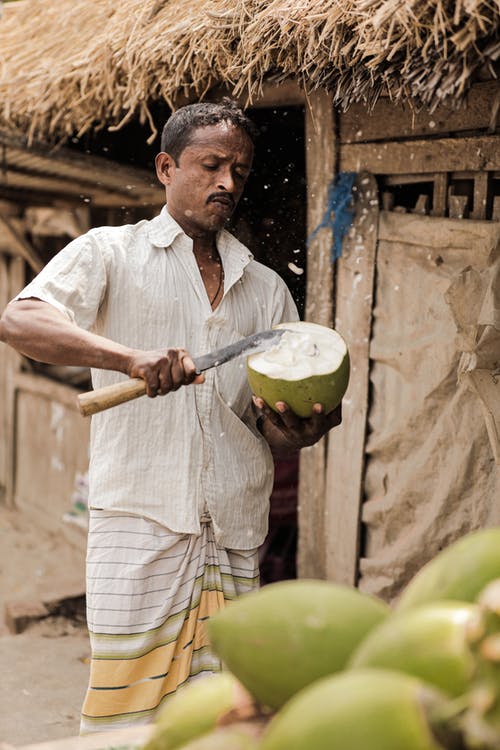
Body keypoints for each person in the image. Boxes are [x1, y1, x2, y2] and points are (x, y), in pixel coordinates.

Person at [0, 99, 342, 733]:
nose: (227, 183)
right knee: (126, 716)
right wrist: (129, 358)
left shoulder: (265, 287)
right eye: (210, 165)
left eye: (239, 170)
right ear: (165, 167)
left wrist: (298, 429)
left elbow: (263, 421)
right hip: (140, 520)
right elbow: (21, 319)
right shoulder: (110, 253)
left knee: (222, 717)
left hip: (235, 528)